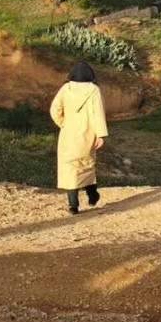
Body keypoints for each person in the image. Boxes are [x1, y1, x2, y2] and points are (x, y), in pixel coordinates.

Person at [49, 61, 109, 215]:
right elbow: (98, 113)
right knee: (86, 165)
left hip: (68, 134)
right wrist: (101, 134)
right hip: (87, 134)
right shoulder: (94, 90)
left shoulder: (65, 88)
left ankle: (73, 206)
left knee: (70, 169)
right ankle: (92, 195)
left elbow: (54, 109)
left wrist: (63, 123)